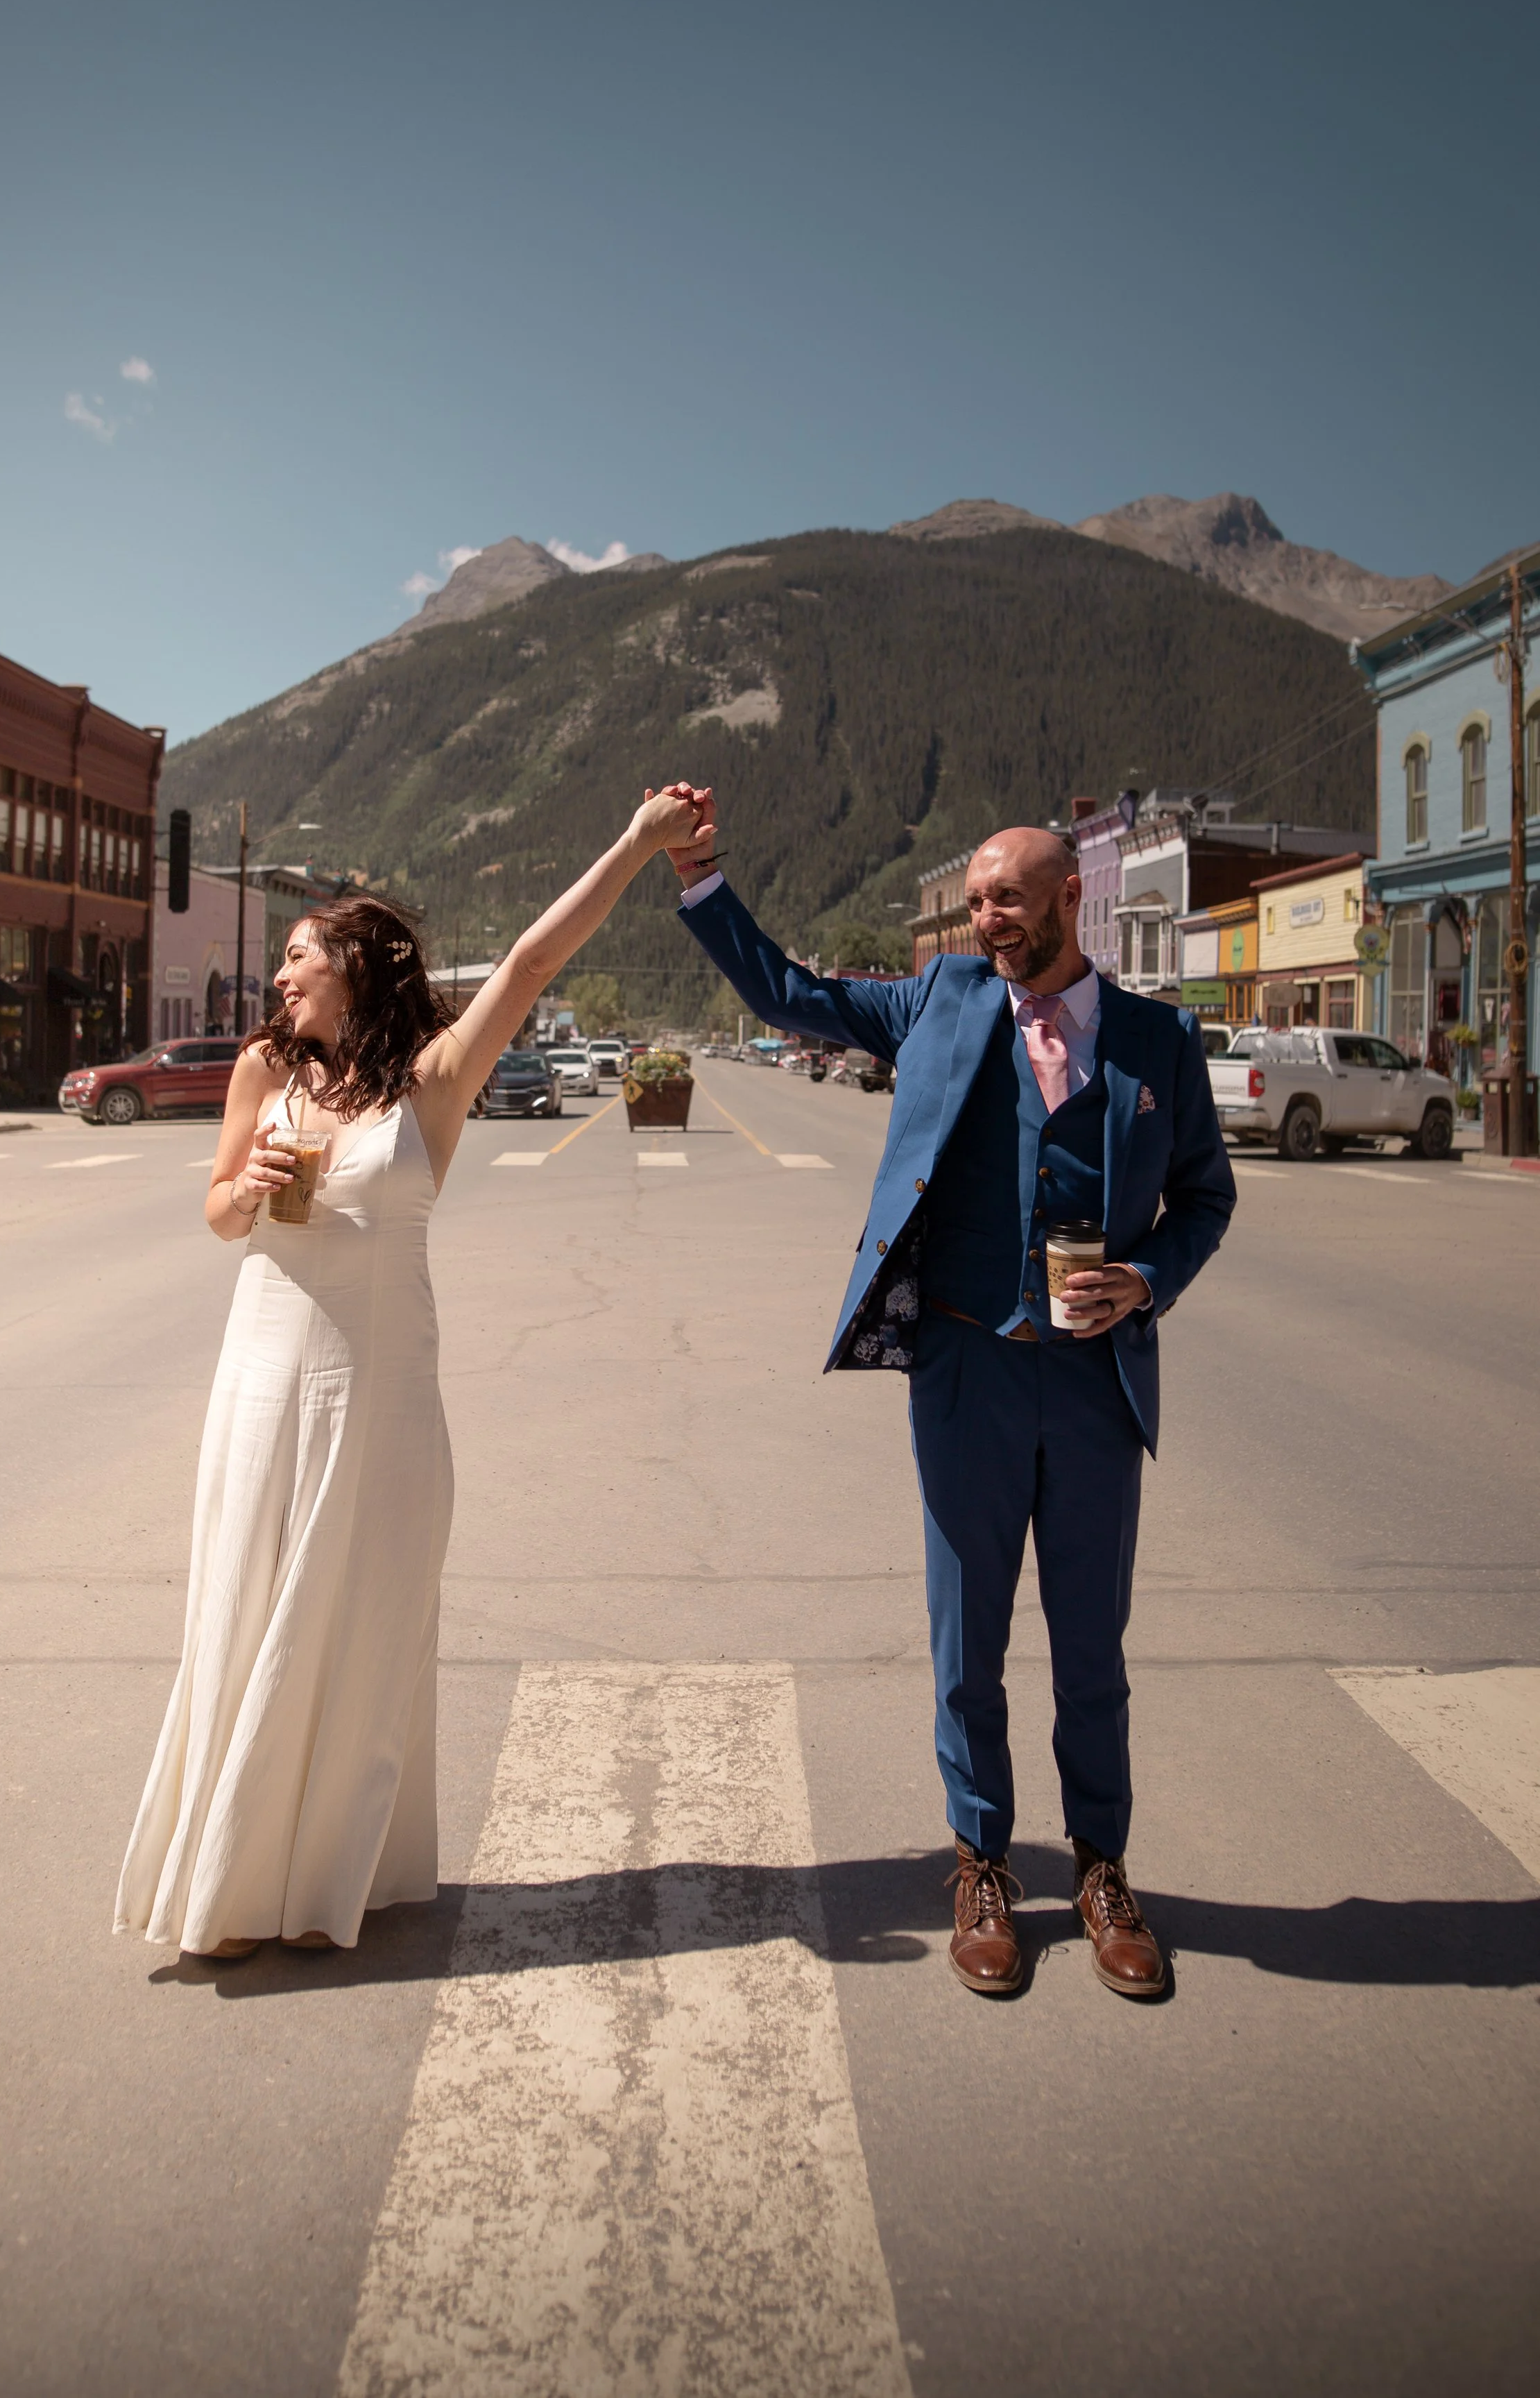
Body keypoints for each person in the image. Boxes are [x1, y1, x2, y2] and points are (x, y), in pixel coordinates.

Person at [115, 786, 704, 1961]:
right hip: (262, 1385)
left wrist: (637, 843)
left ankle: (334, 1872)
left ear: (359, 971)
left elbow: (532, 962)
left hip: (381, 1404)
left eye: (298, 958)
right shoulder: (257, 1073)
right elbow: (222, 1214)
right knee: (251, 1613)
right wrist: (250, 1186)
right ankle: (229, 1887)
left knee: (362, 1626)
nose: (280, 979)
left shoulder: (428, 1084)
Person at [665, 797, 1235, 1998]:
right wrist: (704, 878)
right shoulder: (942, 1000)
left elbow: (1206, 1197)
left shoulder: (1158, 1043)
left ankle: (1100, 1867)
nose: (988, 921)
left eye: (1008, 901)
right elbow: (788, 994)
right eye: (976, 903)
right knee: (967, 1637)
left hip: (1092, 1385)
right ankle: (981, 1860)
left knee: (1091, 1644)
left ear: (1072, 898)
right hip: (967, 1367)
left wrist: (1149, 1276)